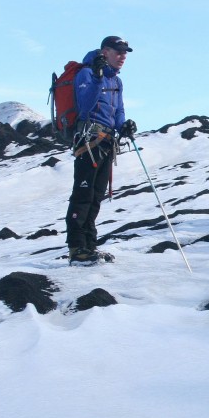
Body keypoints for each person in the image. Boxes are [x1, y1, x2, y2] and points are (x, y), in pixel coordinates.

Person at [65, 36, 137, 265]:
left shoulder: (116, 81)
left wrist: (124, 124)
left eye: (125, 52)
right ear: (105, 52)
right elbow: (85, 107)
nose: (123, 56)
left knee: (95, 196)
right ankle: (77, 248)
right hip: (88, 140)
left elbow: (118, 110)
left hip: (106, 141)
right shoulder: (86, 74)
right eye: (118, 51)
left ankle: (89, 245)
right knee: (83, 195)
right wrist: (96, 78)